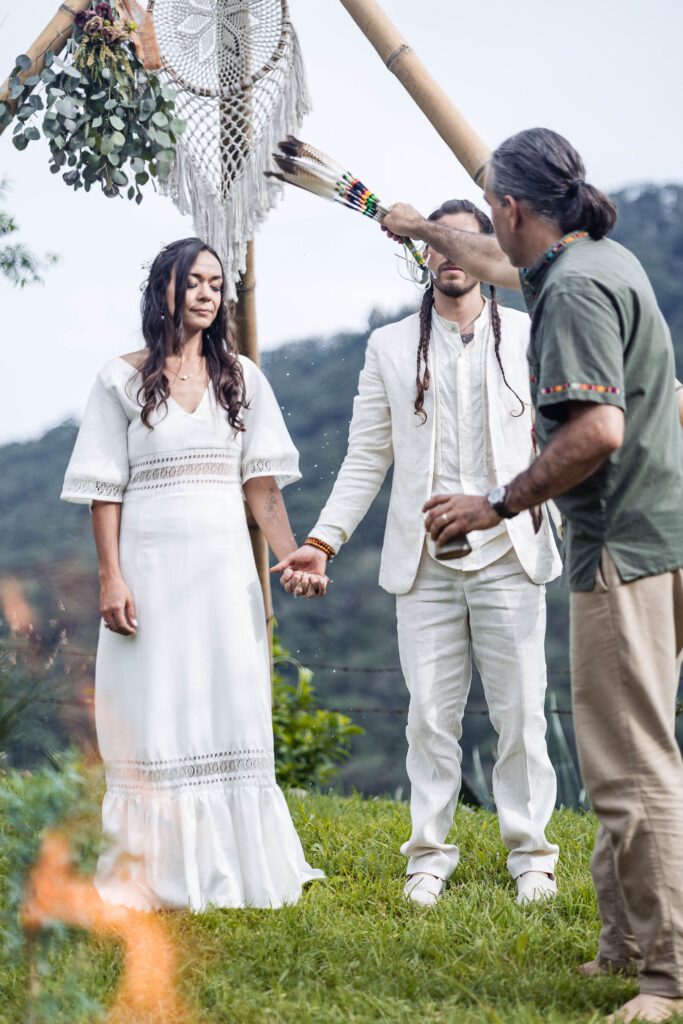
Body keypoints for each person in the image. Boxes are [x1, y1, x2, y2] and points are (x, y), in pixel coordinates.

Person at [381, 129, 683, 1024]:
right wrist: (416, 227)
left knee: (631, 764)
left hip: (623, 548)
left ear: (512, 208)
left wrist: (496, 504)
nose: (486, 246)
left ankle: (665, 976)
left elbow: (594, 434)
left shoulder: (576, 291)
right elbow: (483, 256)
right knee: (612, 749)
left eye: (491, 220)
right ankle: (623, 942)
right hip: (645, 538)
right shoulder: (589, 259)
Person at [273, 200, 562, 908]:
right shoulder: (389, 347)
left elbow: (558, 443)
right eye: (441, 241)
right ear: (423, 253)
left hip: (510, 550)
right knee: (428, 715)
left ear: (490, 253)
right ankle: (428, 855)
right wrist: (320, 541)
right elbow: (366, 456)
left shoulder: (528, 334)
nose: (453, 252)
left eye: (470, 239)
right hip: (424, 561)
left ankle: (531, 856)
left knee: (520, 711)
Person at [61, 237, 325, 912]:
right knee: (153, 710)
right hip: (148, 570)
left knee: (227, 703)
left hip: (223, 575)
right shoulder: (118, 378)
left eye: (216, 284)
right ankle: (149, 869)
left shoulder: (243, 378)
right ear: (164, 290)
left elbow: (259, 485)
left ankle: (238, 866)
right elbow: (104, 491)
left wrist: (290, 549)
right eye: (193, 282)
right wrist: (110, 577)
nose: (207, 294)